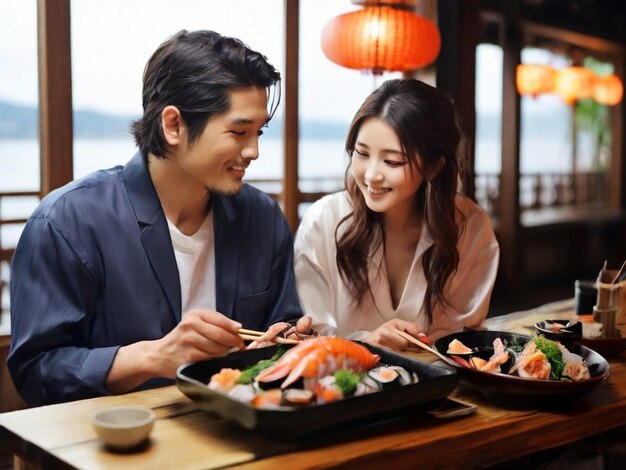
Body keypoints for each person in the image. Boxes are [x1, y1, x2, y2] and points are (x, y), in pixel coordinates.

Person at [8, 29, 310, 406]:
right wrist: (152, 357)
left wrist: (290, 342)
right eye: (238, 131)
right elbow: (36, 373)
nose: (254, 151)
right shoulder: (68, 222)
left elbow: (284, 337)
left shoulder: (261, 216)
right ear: (173, 125)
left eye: (259, 132)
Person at [294, 79, 499, 351]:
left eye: (392, 161)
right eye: (362, 153)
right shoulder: (323, 221)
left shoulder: (469, 228)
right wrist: (367, 342)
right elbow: (308, 337)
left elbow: (461, 344)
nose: (371, 175)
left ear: (434, 165)